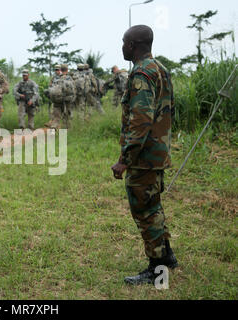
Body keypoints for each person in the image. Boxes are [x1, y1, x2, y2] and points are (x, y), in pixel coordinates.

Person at [111, 25, 178, 285]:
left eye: (124, 42)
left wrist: (124, 160)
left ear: (133, 45)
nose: (122, 46)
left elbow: (140, 120)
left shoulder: (141, 73)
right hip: (157, 152)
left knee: (145, 210)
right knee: (154, 206)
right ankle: (167, 255)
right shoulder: (159, 68)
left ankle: (157, 270)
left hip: (144, 156)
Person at [45, 64, 76, 129]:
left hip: (57, 100)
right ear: (67, 70)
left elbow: (50, 87)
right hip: (67, 101)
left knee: (56, 117)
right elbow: (73, 90)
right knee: (66, 117)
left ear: (60, 70)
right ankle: (65, 133)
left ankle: (53, 129)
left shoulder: (56, 78)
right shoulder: (69, 78)